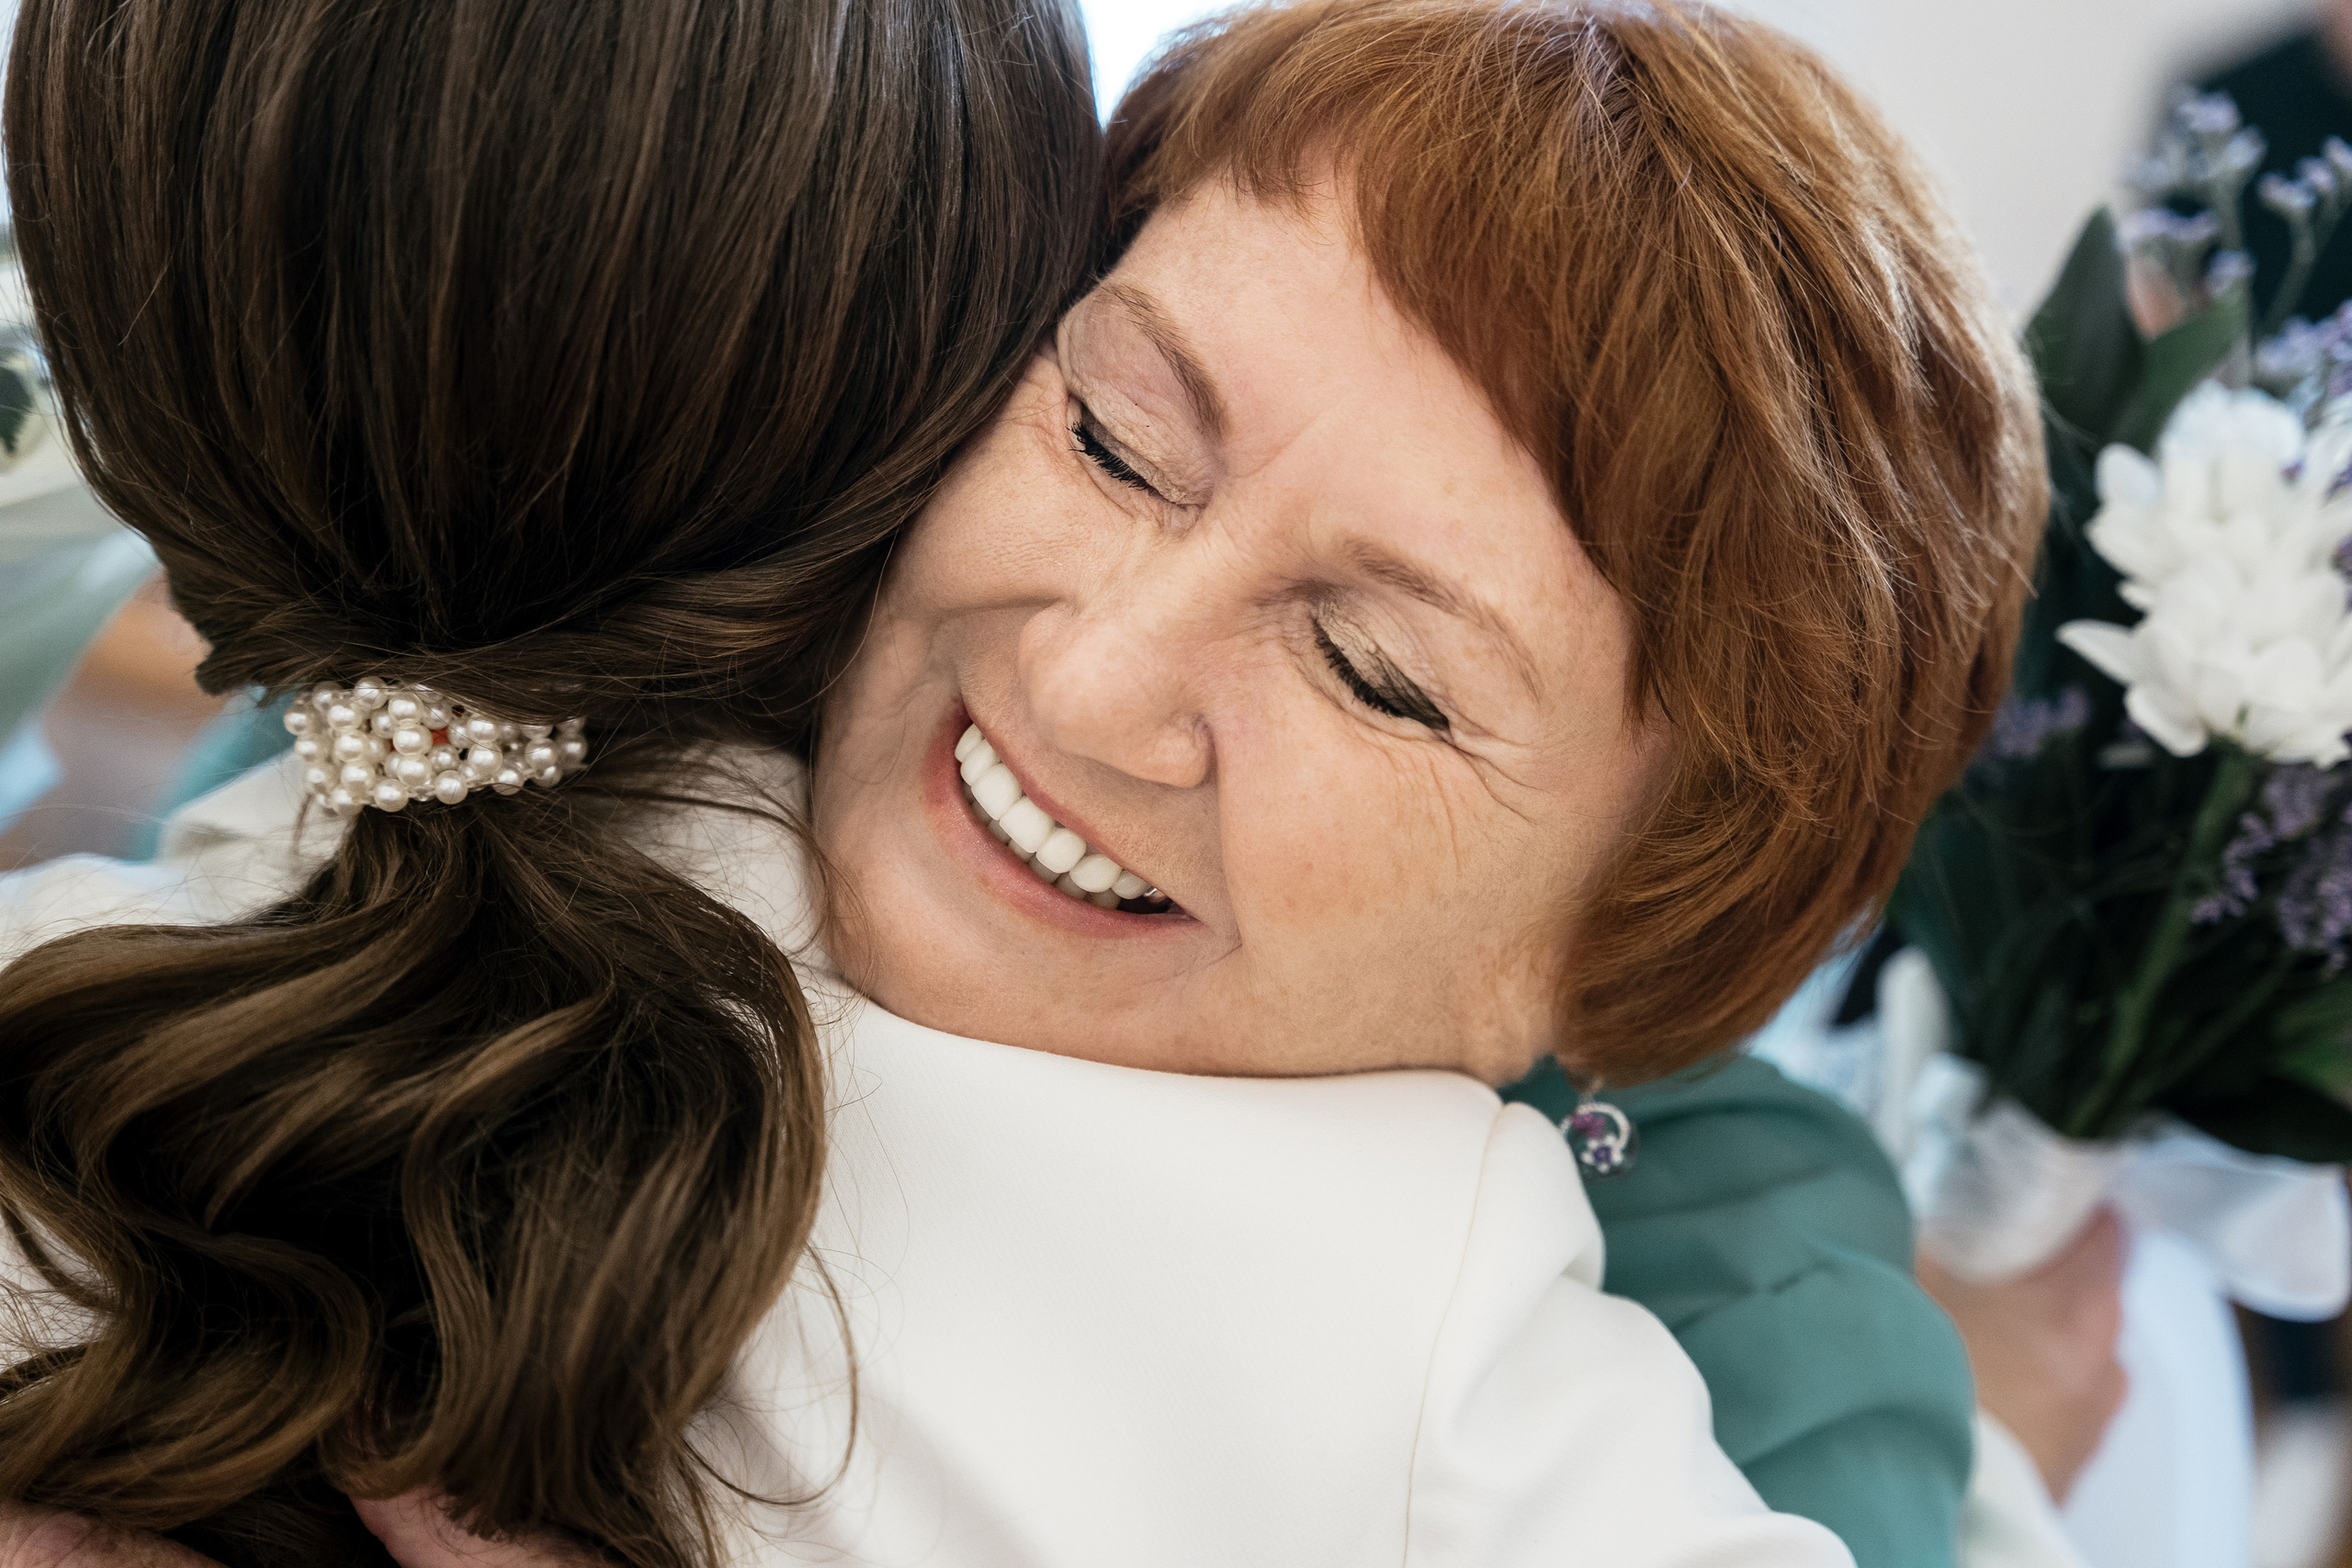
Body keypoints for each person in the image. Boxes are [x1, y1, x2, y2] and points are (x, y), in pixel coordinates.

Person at [0, 1, 2051, 1565]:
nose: (1089, 676)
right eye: (1116, 435)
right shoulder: (527, 698)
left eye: (1373, 672)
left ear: (1627, 955)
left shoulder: (1468, 1315)